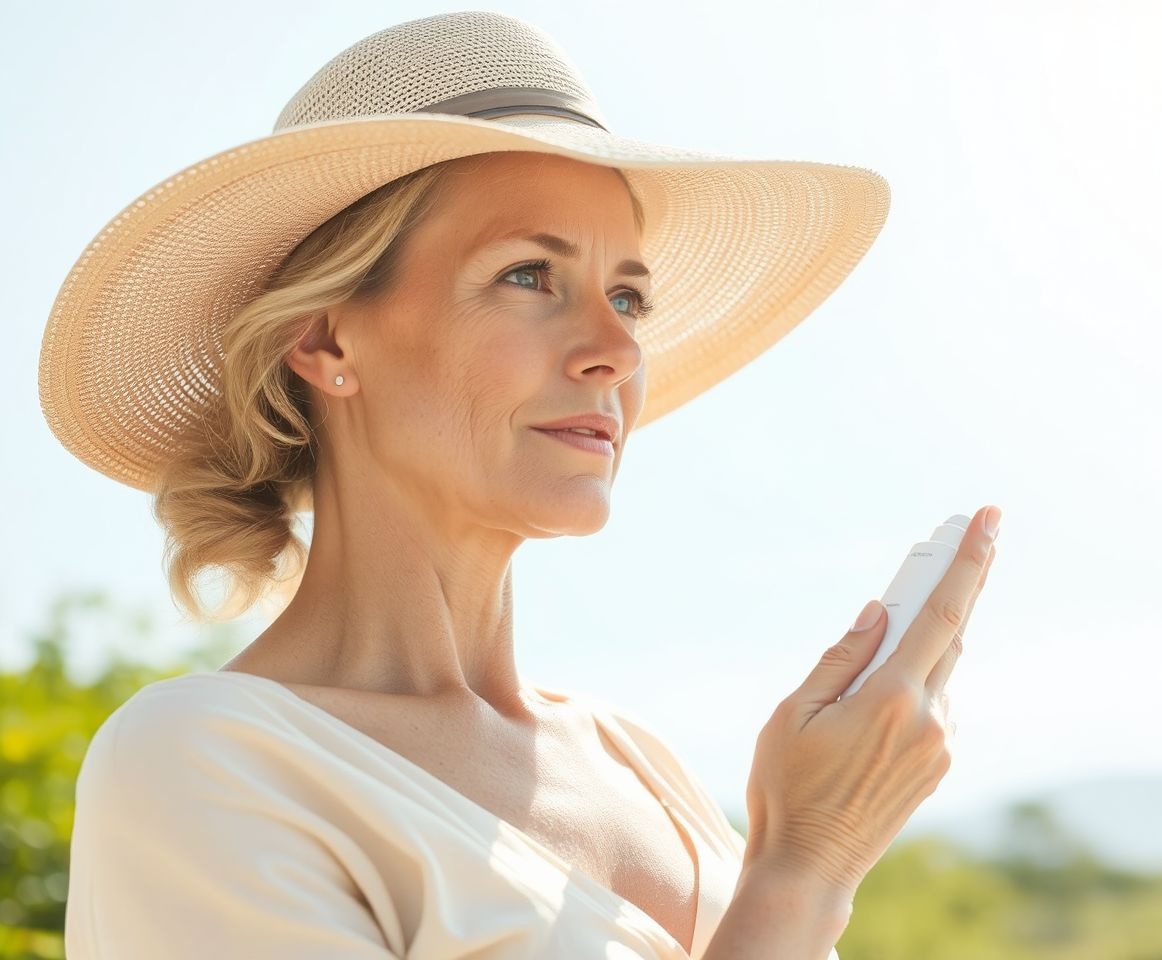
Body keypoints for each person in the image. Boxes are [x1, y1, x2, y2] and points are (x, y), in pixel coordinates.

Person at [39, 10, 999, 960]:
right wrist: (802, 874)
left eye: (629, 297)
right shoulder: (202, 763)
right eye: (530, 275)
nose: (618, 349)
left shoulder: (638, 761)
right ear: (328, 340)